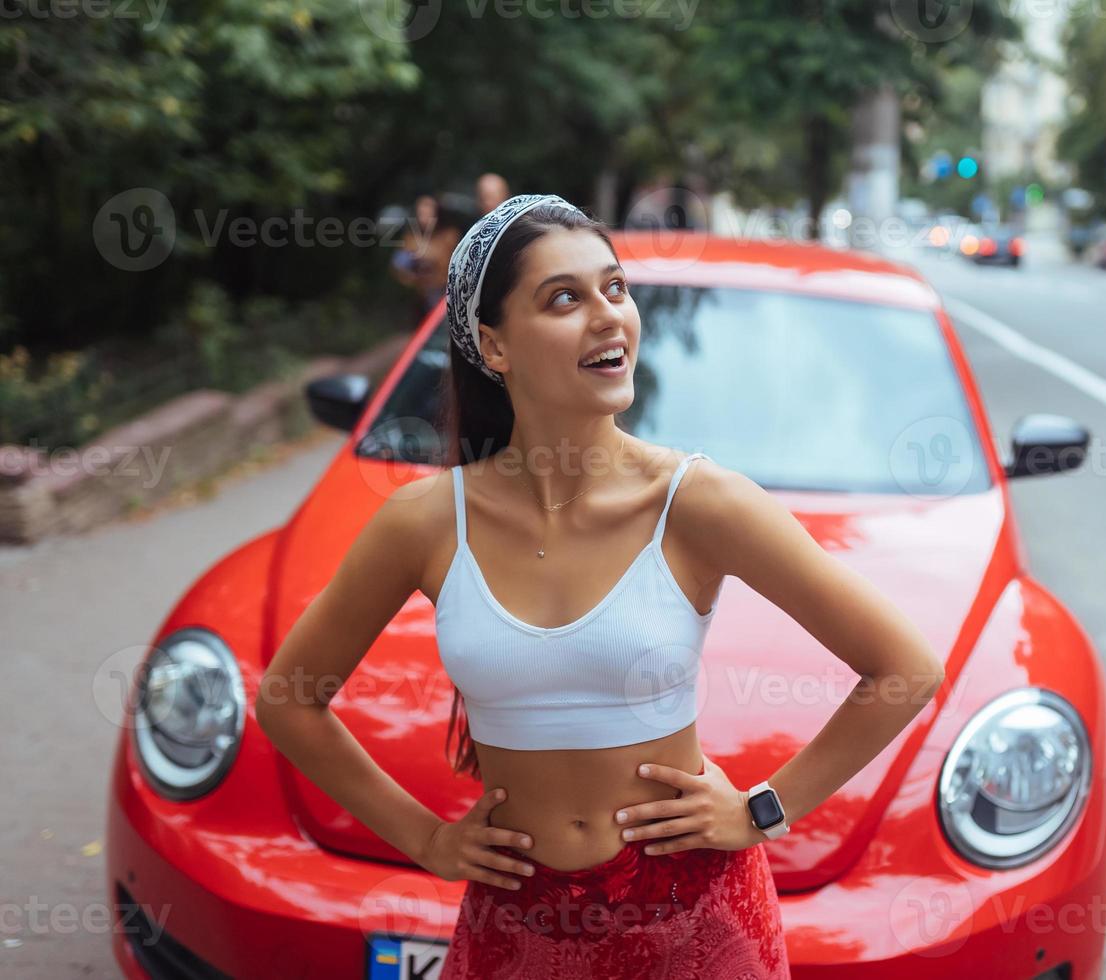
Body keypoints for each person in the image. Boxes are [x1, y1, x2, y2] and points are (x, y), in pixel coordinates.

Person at [255, 194, 943, 978]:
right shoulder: (425, 521)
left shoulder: (698, 502)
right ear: (494, 345)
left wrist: (762, 809)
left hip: (695, 918)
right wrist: (426, 841)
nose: (608, 316)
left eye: (615, 289)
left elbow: (904, 667)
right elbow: (288, 699)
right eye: (564, 299)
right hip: (517, 922)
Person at [392, 193, 461, 318]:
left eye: (427, 212)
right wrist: (412, 276)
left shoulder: (449, 236)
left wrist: (430, 255)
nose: (423, 217)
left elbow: (456, 266)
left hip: (445, 299)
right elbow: (399, 267)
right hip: (420, 300)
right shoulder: (410, 239)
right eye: (420, 213)